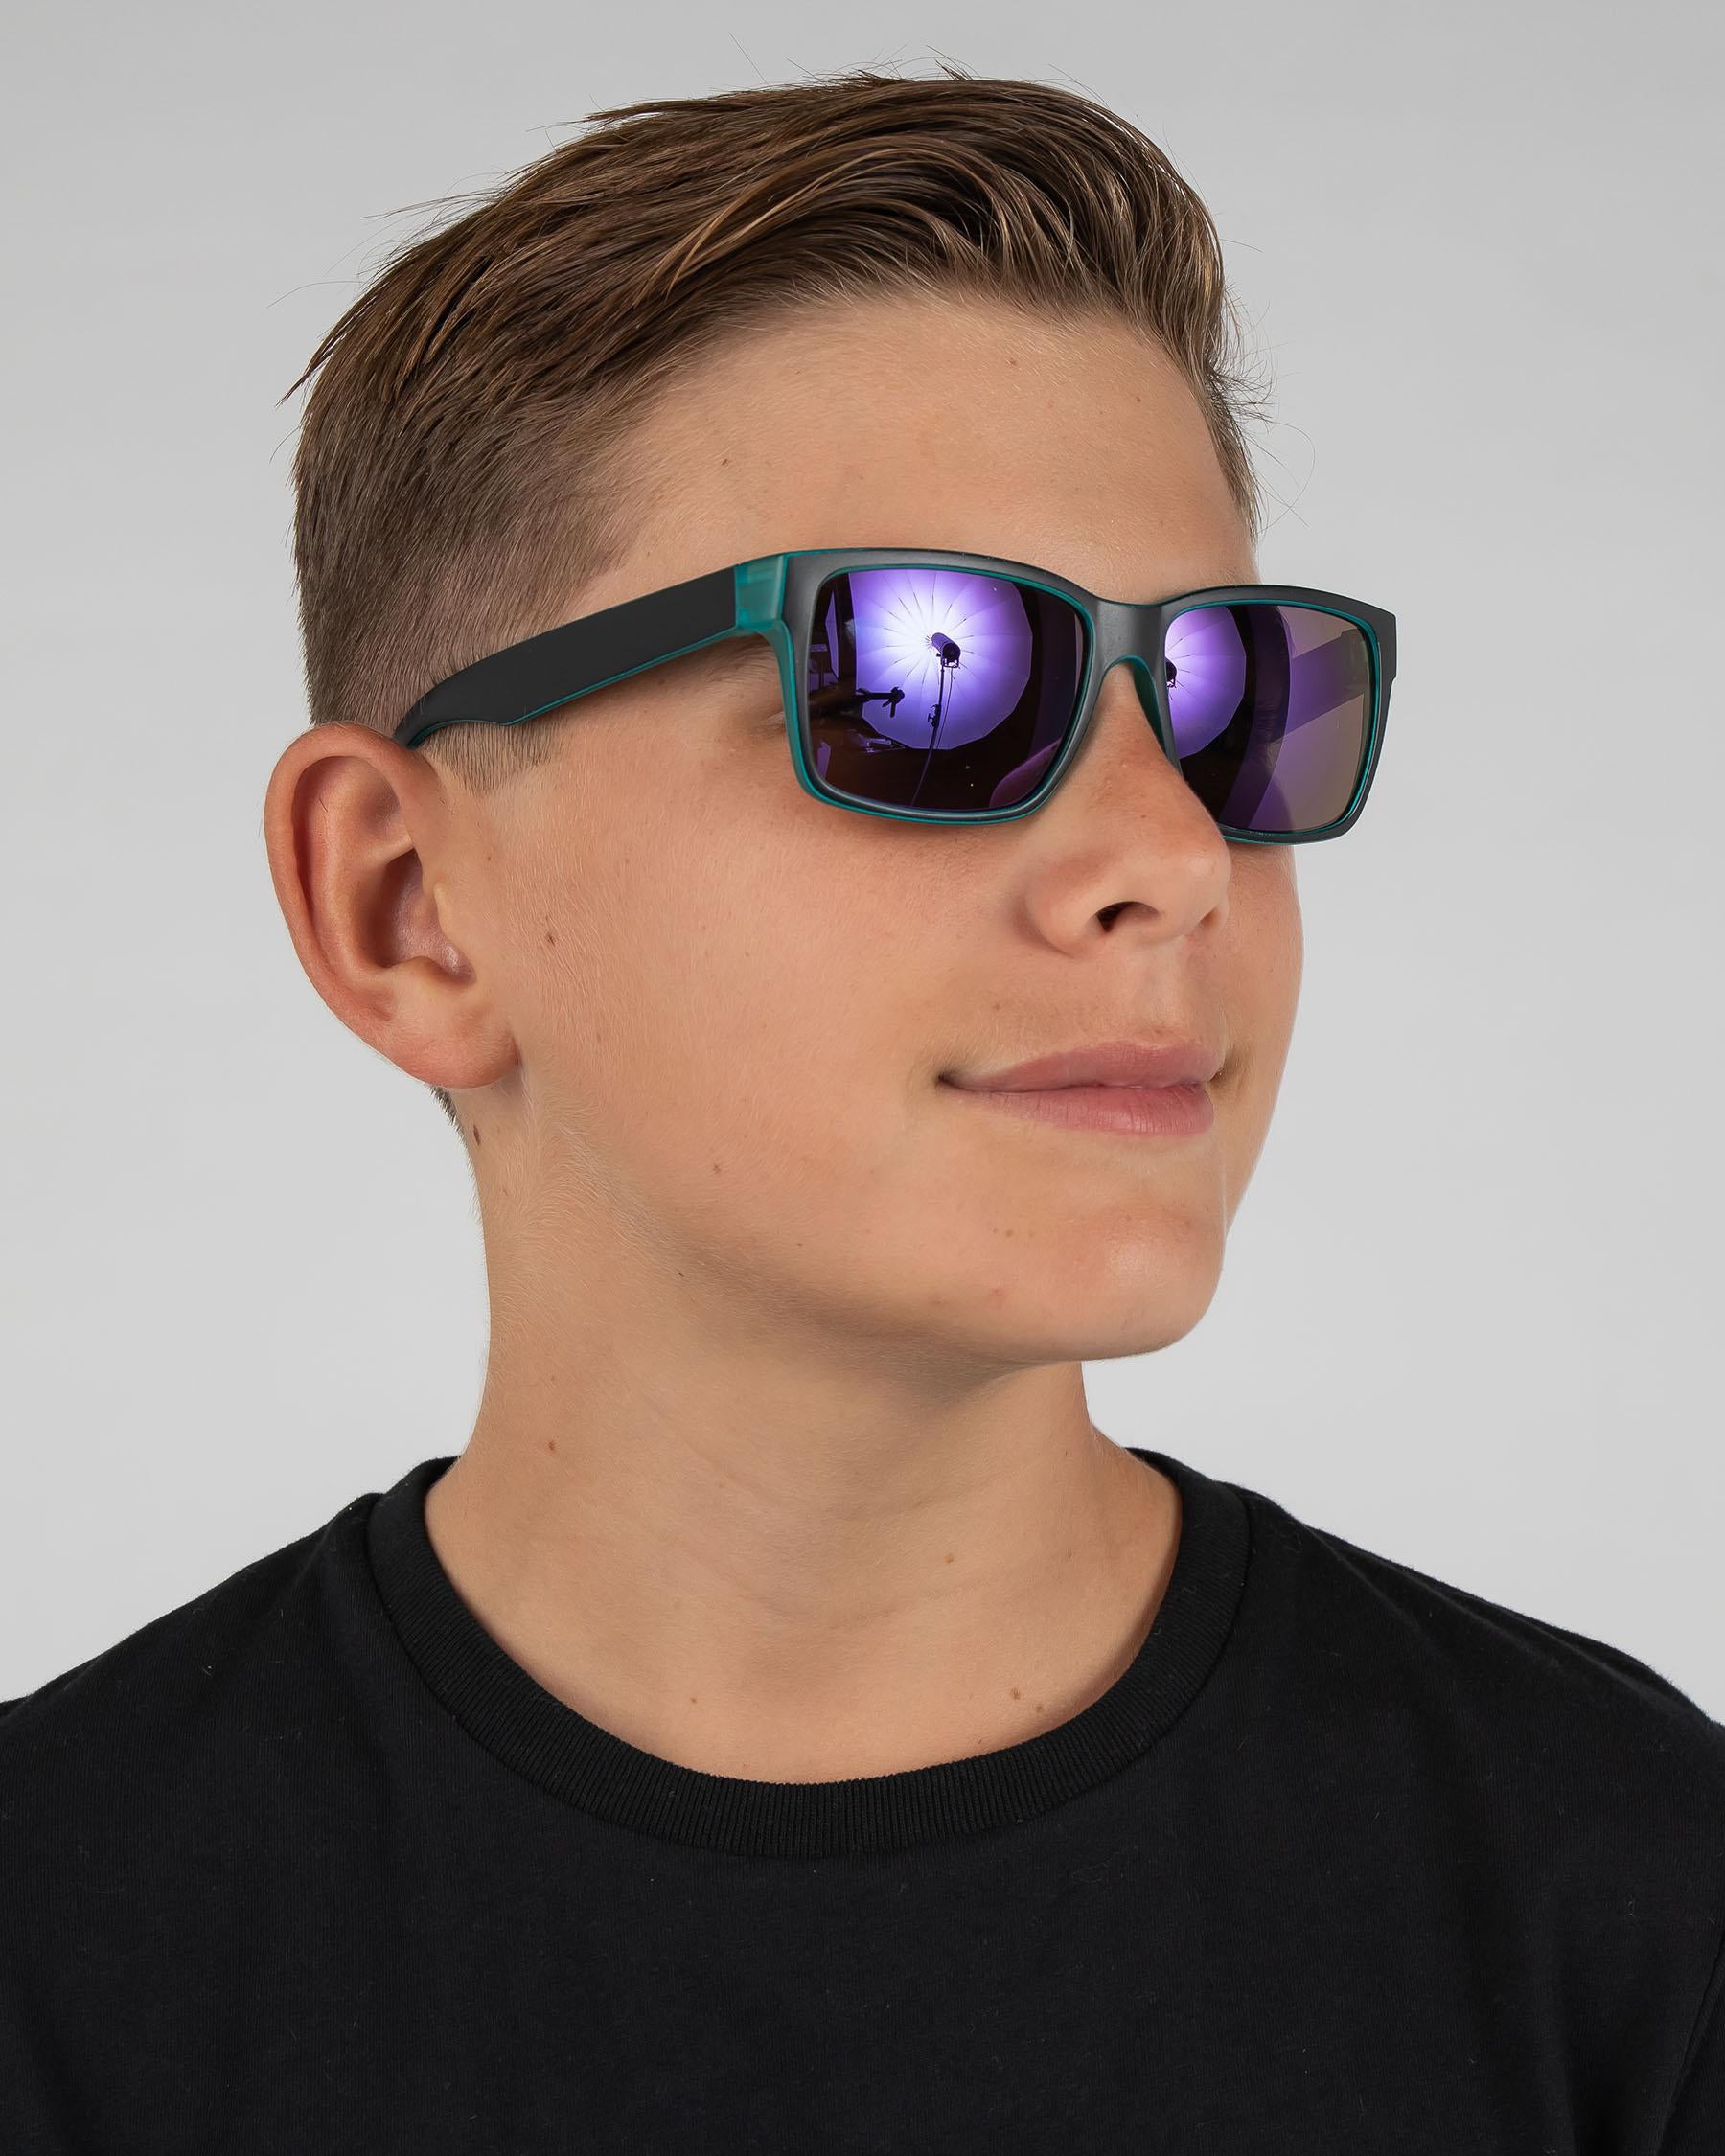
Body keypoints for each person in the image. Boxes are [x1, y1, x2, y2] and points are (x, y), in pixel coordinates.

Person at [3, 63, 1721, 2154]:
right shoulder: (58, 1958)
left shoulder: (1633, 1914)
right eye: (927, 678)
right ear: (409, 905)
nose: (1172, 855)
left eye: (1224, 701)